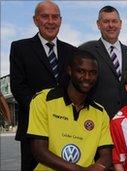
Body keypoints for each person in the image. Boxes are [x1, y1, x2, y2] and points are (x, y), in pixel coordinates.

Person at [9, 1, 77, 170]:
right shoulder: (20, 48)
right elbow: (18, 87)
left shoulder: (73, 52)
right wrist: (44, 113)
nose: (51, 21)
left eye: (55, 17)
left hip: (67, 128)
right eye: (45, 16)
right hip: (33, 129)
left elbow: (75, 88)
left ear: (60, 21)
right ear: (35, 20)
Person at [27, 49, 113, 170]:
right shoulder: (43, 100)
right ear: (69, 70)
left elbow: (107, 156)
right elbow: (39, 150)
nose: (87, 77)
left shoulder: (100, 112)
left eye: (93, 73)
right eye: (81, 71)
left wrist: (96, 168)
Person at [79, 5, 127, 118]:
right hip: (95, 120)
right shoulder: (86, 51)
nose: (111, 25)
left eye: (114, 21)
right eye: (106, 21)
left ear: (120, 23)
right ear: (98, 24)